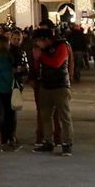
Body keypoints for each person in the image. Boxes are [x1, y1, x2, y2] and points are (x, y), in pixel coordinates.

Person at [32, 28, 74, 157]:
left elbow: (56, 63)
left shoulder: (62, 46)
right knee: (46, 116)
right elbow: (37, 66)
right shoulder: (43, 49)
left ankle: (67, 144)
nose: (38, 44)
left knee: (64, 116)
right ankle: (48, 142)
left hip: (60, 86)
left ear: (45, 39)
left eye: (38, 41)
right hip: (45, 86)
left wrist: (41, 56)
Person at [0, 35, 21, 151]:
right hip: (6, 88)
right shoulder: (4, 57)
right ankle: (7, 140)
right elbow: (7, 73)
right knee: (9, 115)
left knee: (2, 113)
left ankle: (4, 138)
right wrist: (14, 83)